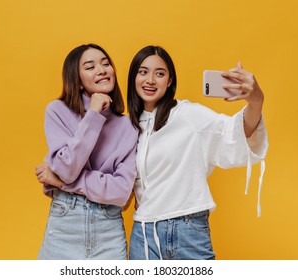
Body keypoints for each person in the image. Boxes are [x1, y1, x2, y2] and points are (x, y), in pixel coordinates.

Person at [127, 46, 268, 260]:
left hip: (187, 230)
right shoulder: (127, 126)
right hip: (143, 235)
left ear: (170, 81)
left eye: (160, 73)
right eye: (143, 72)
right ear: (133, 77)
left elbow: (232, 133)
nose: (150, 80)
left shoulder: (187, 115)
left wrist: (256, 100)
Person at [34, 43, 138, 260]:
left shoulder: (129, 126)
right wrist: (94, 113)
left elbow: (120, 192)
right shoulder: (57, 111)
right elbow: (66, 168)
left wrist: (63, 184)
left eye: (106, 64)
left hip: (108, 230)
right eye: (90, 67)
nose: (102, 70)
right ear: (78, 81)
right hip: (65, 226)